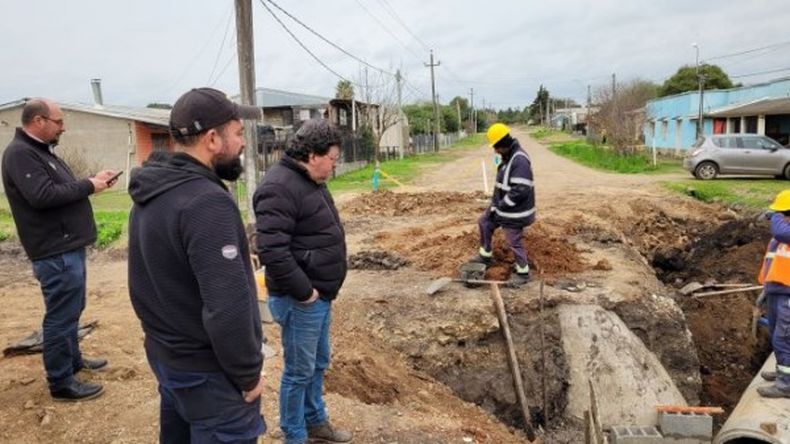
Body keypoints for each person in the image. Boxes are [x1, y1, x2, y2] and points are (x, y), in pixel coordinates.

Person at [127, 88, 266, 441]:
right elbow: (227, 308)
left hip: (170, 361)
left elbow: (141, 286)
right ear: (213, 138)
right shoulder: (205, 203)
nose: (243, 143)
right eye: (237, 133)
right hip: (209, 376)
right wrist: (248, 373)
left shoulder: (151, 192)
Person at [1, 99, 117, 401]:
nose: (63, 127)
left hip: (66, 247)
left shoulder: (39, 152)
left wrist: (93, 181)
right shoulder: (20, 154)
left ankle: (73, 361)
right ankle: (61, 382)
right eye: (59, 121)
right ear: (39, 121)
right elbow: (42, 196)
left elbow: (60, 189)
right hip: (54, 251)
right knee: (60, 317)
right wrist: (90, 185)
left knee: (72, 310)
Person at [254, 119, 352, 444]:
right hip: (301, 300)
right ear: (313, 155)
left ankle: (315, 422)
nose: (334, 166)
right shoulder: (278, 186)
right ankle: (294, 435)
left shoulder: (311, 180)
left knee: (318, 363)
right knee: (298, 372)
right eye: (333, 159)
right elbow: (271, 250)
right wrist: (305, 292)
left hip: (320, 296)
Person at [470, 122, 536, 286]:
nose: (495, 151)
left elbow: (521, 190)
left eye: (497, 147)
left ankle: (523, 272)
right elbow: (502, 187)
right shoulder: (507, 157)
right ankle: (486, 257)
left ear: (504, 144)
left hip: (515, 213)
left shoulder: (519, 160)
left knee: (513, 240)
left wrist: (502, 205)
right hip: (503, 209)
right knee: (484, 222)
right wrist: (495, 206)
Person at [757, 190, 790, 398]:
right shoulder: (780, 237)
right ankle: (782, 373)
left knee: (784, 338)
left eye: (782, 213)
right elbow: (774, 264)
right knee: (776, 335)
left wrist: (775, 215)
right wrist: (765, 290)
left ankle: (786, 384)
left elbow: (781, 232)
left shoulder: (783, 233)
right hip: (777, 290)